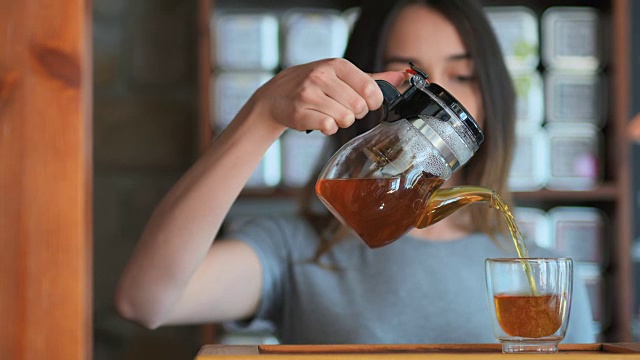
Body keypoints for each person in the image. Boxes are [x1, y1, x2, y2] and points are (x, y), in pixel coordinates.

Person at [115, 0, 596, 344]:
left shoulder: (541, 275)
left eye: (463, 75)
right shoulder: (299, 251)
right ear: (364, 91)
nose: (438, 101)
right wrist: (262, 113)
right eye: (412, 78)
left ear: (493, 100)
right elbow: (146, 301)